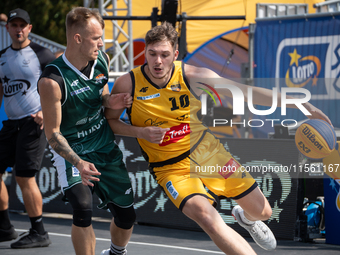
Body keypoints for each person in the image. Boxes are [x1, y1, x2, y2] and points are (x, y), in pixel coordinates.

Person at [105, 22, 332, 255]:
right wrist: (140, 133)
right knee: (208, 217)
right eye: (152, 54)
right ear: (145, 52)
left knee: (263, 212)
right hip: (170, 168)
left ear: (175, 54)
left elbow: (245, 92)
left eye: (164, 55)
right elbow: (111, 122)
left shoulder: (194, 76)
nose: (158, 61)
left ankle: (245, 217)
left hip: (208, 153)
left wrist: (300, 104)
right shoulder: (128, 84)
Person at [38, 7, 135, 255]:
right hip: (72, 150)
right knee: (82, 208)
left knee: (127, 216)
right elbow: (53, 134)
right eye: (96, 38)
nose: (101, 43)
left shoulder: (101, 59)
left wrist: (108, 101)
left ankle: (116, 253)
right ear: (77, 38)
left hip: (102, 144)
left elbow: (100, 92)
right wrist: (79, 163)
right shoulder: (52, 80)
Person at [0, 8, 55, 248]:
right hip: (10, 124)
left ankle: (39, 231)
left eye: (23, 25)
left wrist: (46, 112)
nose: (19, 29)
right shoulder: (1, 56)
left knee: (23, 177)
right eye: (14, 25)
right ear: (8, 29)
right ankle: (4, 228)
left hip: (34, 123)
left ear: (30, 28)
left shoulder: (43, 54)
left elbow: (60, 88)